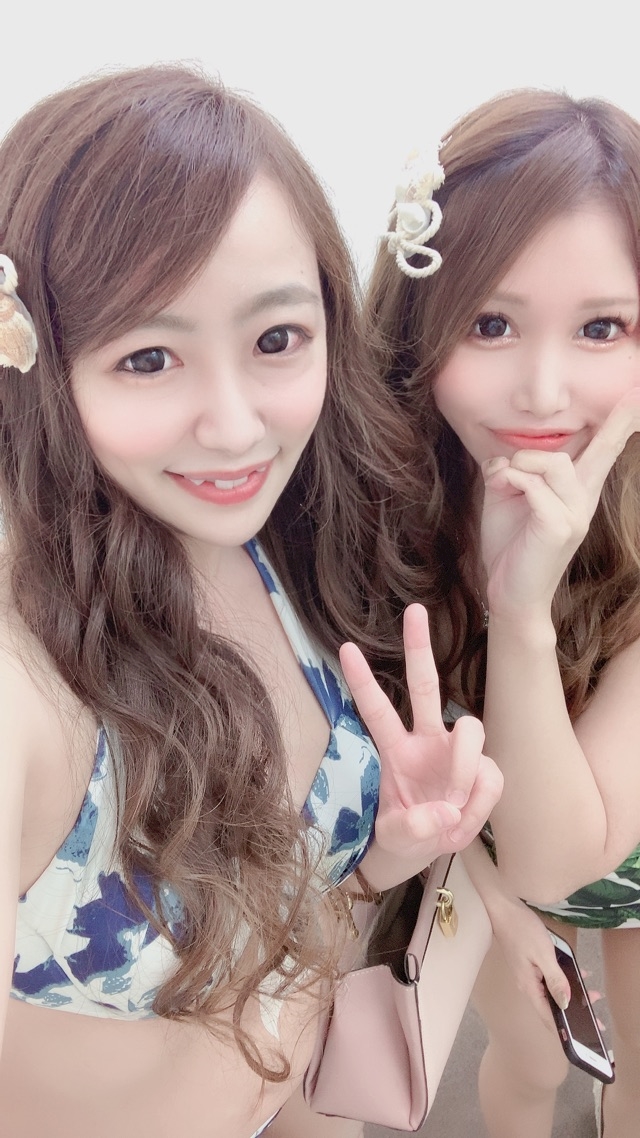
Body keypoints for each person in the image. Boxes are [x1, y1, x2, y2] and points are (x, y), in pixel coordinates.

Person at [0, 65, 503, 1138]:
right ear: (36, 363)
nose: (235, 427)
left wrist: (390, 850)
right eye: (148, 357)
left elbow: (290, 946)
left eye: (276, 340)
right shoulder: (22, 682)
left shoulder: (274, 538)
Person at [362, 89, 640, 1138]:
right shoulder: (378, 503)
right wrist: (497, 902)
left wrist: (521, 618)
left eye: (603, 327)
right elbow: (395, 750)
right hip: (479, 847)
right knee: (527, 1060)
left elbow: (575, 850)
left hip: (626, 836)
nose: (542, 391)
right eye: (490, 323)